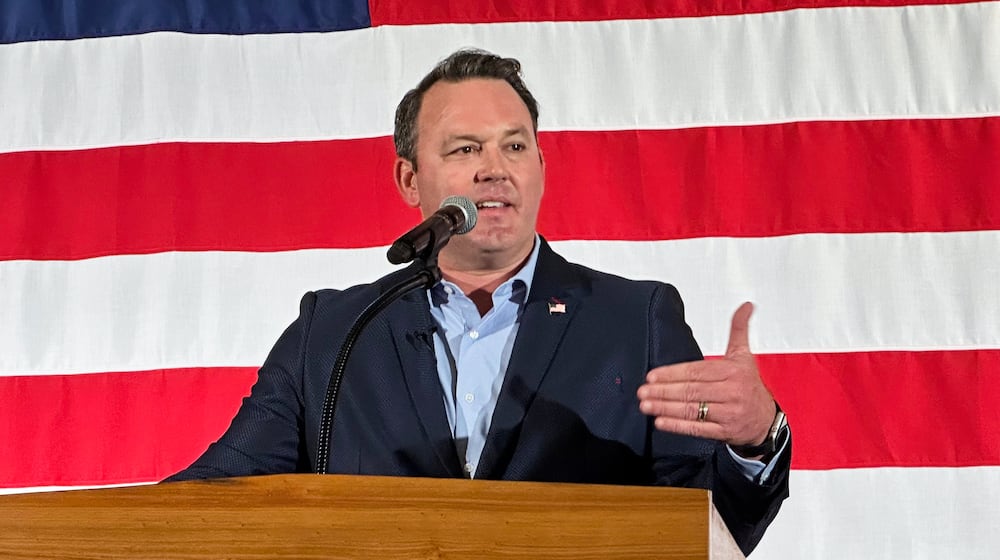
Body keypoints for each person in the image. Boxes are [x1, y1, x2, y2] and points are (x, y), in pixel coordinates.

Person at [167, 49, 790, 554]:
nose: (495, 168)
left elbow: (711, 528)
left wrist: (757, 439)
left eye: (515, 146)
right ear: (410, 179)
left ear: (541, 166)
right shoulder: (333, 330)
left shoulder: (635, 320)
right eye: (466, 149)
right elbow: (218, 495)